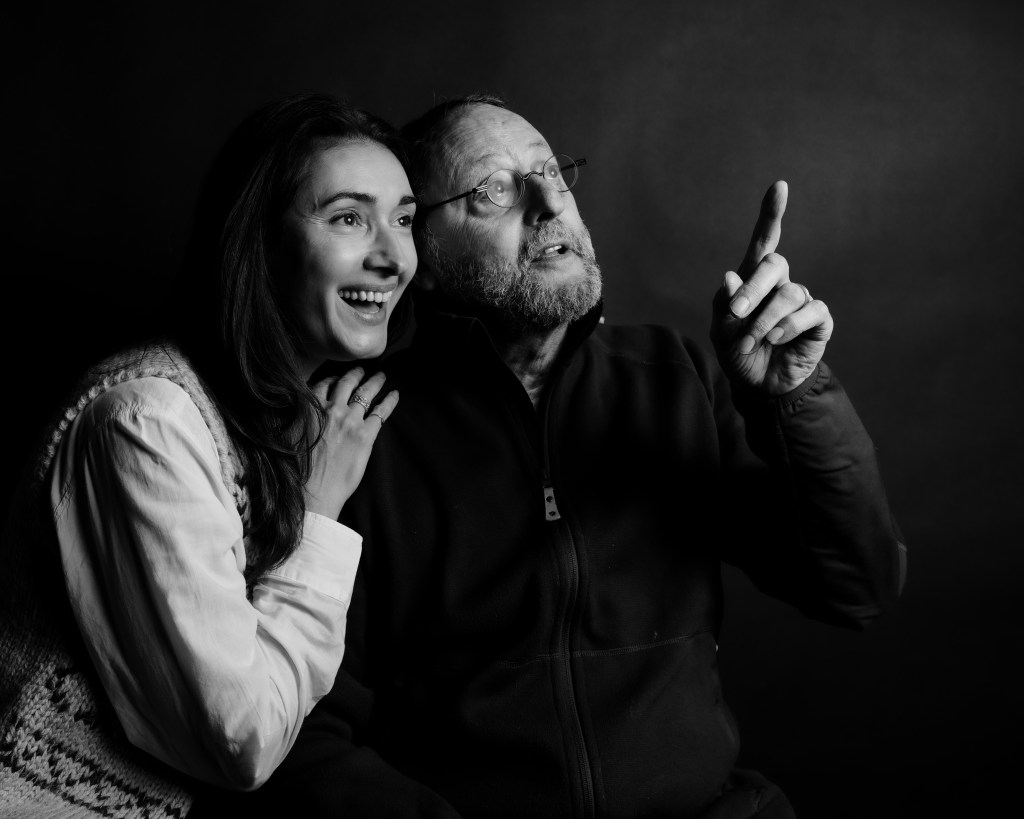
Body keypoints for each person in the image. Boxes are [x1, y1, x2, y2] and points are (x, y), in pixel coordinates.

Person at [208, 93, 906, 818]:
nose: (549, 205)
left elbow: (856, 585)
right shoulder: (351, 430)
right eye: (494, 191)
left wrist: (792, 399)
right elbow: (304, 733)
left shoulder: (673, 377)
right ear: (426, 254)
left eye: (553, 173)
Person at [0, 92, 417, 818]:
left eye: (405, 219)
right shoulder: (146, 420)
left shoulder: (287, 417)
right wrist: (319, 513)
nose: (391, 257)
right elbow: (243, 740)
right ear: (261, 240)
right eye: (348, 218)